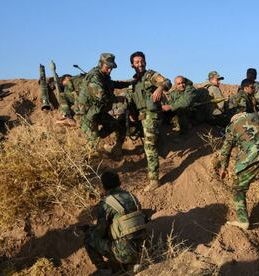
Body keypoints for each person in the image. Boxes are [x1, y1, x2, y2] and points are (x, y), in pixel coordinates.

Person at [217, 111, 259, 231]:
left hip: (251, 158)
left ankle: (243, 221)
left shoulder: (232, 126)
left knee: (238, 188)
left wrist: (223, 167)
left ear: (234, 119)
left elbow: (226, 148)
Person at [84, 171, 147, 275]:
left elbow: (99, 233)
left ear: (104, 186)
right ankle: (133, 263)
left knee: (89, 239)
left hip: (124, 253)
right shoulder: (132, 196)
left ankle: (105, 270)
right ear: (119, 183)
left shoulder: (107, 203)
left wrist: (89, 230)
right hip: (142, 247)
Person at [126, 51, 172, 191]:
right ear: (132, 65)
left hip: (152, 116)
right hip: (142, 118)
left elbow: (167, 82)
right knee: (151, 143)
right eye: (137, 62)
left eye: (142, 61)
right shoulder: (133, 82)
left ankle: (154, 180)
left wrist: (160, 88)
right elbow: (131, 100)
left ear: (145, 61)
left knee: (149, 147)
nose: (140, 64)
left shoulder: (151, 75)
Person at [78, 53, 133, 155]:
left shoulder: (104, 76)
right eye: (107, 67)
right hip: (87, 115)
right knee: (93, 148)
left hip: (98, 112)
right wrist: (117, 98)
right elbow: (102, 96)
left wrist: (129, 83)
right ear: (101, 64)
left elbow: (113, 84)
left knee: (119, 128)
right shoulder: (94, 77)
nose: (109, 70)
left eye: (111, 68)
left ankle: (115, 149)